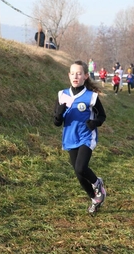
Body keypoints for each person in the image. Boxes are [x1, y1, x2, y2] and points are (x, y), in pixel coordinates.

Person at [53, 60, 106, 215]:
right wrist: (59, 113)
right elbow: (56, 122)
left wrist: (94, 122)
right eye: (73, 73)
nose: (76, 76)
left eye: (79, 73)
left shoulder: (92, 97)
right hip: (70, 137)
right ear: (69, 76)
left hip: (86, 137)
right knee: (78, 173)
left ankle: (97, 183)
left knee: (80, 167)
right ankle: (95, 199)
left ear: (85, 76)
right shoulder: (62, 95)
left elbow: (102, 116)